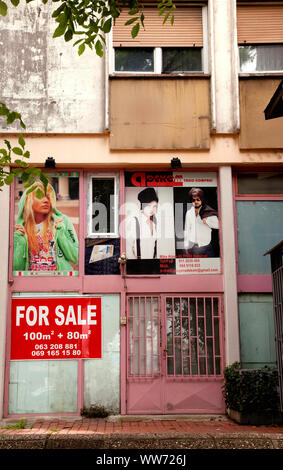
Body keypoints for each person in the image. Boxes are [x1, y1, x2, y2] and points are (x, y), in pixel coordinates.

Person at [13, 182, 79, 272]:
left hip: (59, 282)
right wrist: (20, 243)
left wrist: (61, 235)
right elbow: (16, 268)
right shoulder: (21, 229)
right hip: (31, 283)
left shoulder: (62, 221)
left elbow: (76, 257)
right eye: (40, 196)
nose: (46, 200)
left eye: (48, 197)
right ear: (28, 201)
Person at [184, 187, 219, 258]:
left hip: (206, 247)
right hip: (193, 247)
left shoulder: (208, 211)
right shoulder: (189, 213)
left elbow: (218, 225)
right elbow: (187, 229)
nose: (196, 201)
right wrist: (186, 244)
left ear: (202, 199)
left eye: (198, 199)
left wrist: (207, 221)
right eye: (193, 200)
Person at [126, 187, 159, 259]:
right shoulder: (134, 222)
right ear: (143, 206)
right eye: (149, 206)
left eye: (154, 206)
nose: (152, 209)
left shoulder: (154, 224)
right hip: (138, 266)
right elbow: (128, 249)